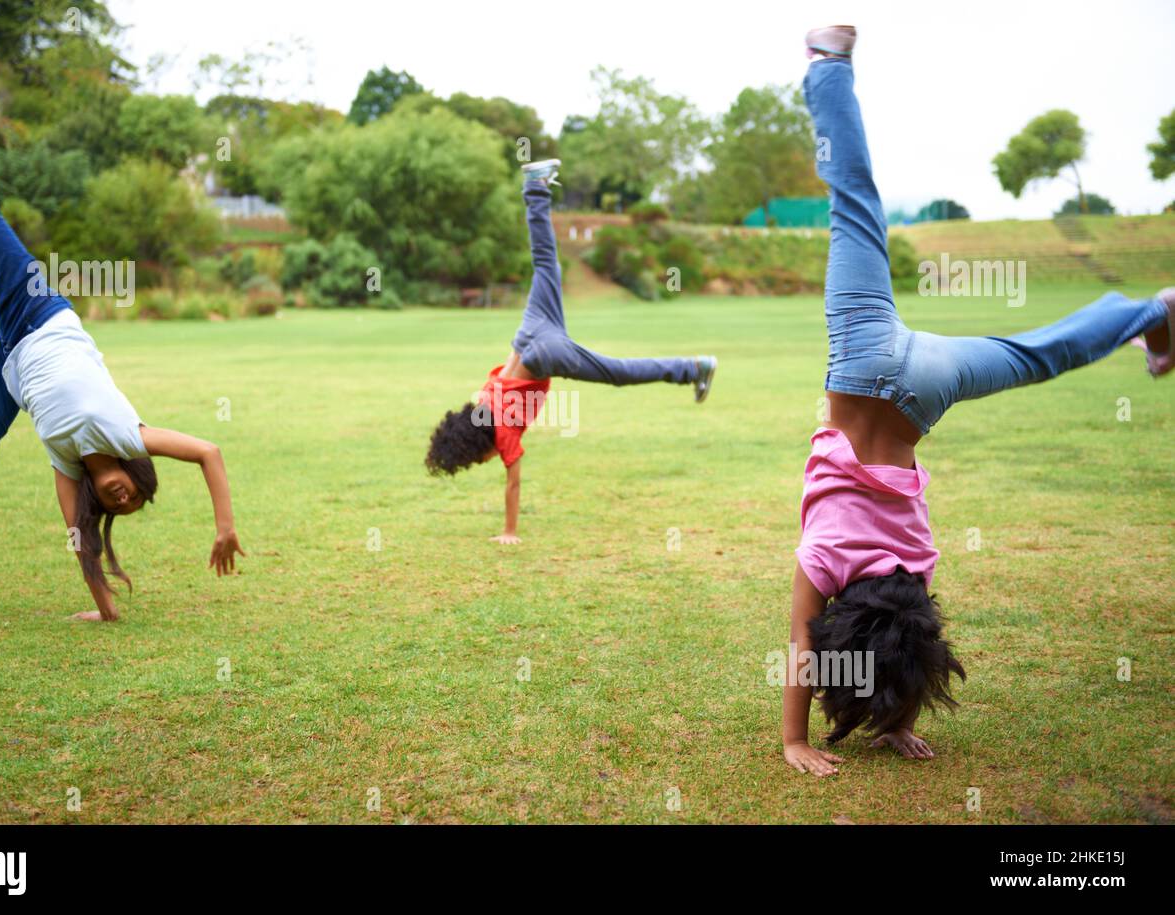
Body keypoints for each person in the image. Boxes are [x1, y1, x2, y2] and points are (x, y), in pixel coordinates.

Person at [782, 25, 1174, 776]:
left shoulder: (918, 568)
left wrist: (889, 716)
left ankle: (1155, 309)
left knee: (1040, 355)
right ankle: (828, 64)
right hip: (862, 358)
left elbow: (906, 633)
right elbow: (805, 640)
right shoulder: (825, 559)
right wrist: (793, 738)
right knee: (855, 203)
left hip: (928, 386)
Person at [0, 13, 246, 622]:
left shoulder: (67, 469)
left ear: (102, 503)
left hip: (11, 363)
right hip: (37, 310)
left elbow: (82, 546)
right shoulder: (127, 435)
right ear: (133, 469)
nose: (125, 499)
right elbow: (209, 451)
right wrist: (224, 528)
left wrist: (105, 609)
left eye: (119, 508)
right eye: (134, 492)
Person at [425, 159, 718, 544]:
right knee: (545, 264)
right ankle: (536, 186)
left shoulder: (502, 436)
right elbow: (502, 381)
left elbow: (513, 485)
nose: (481, 463)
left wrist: (509, 532)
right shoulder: (482, 400)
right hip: (528, 332)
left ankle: (693, 367)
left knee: (619, 372)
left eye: (472, 461)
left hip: (542, 353)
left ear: (476, 449)